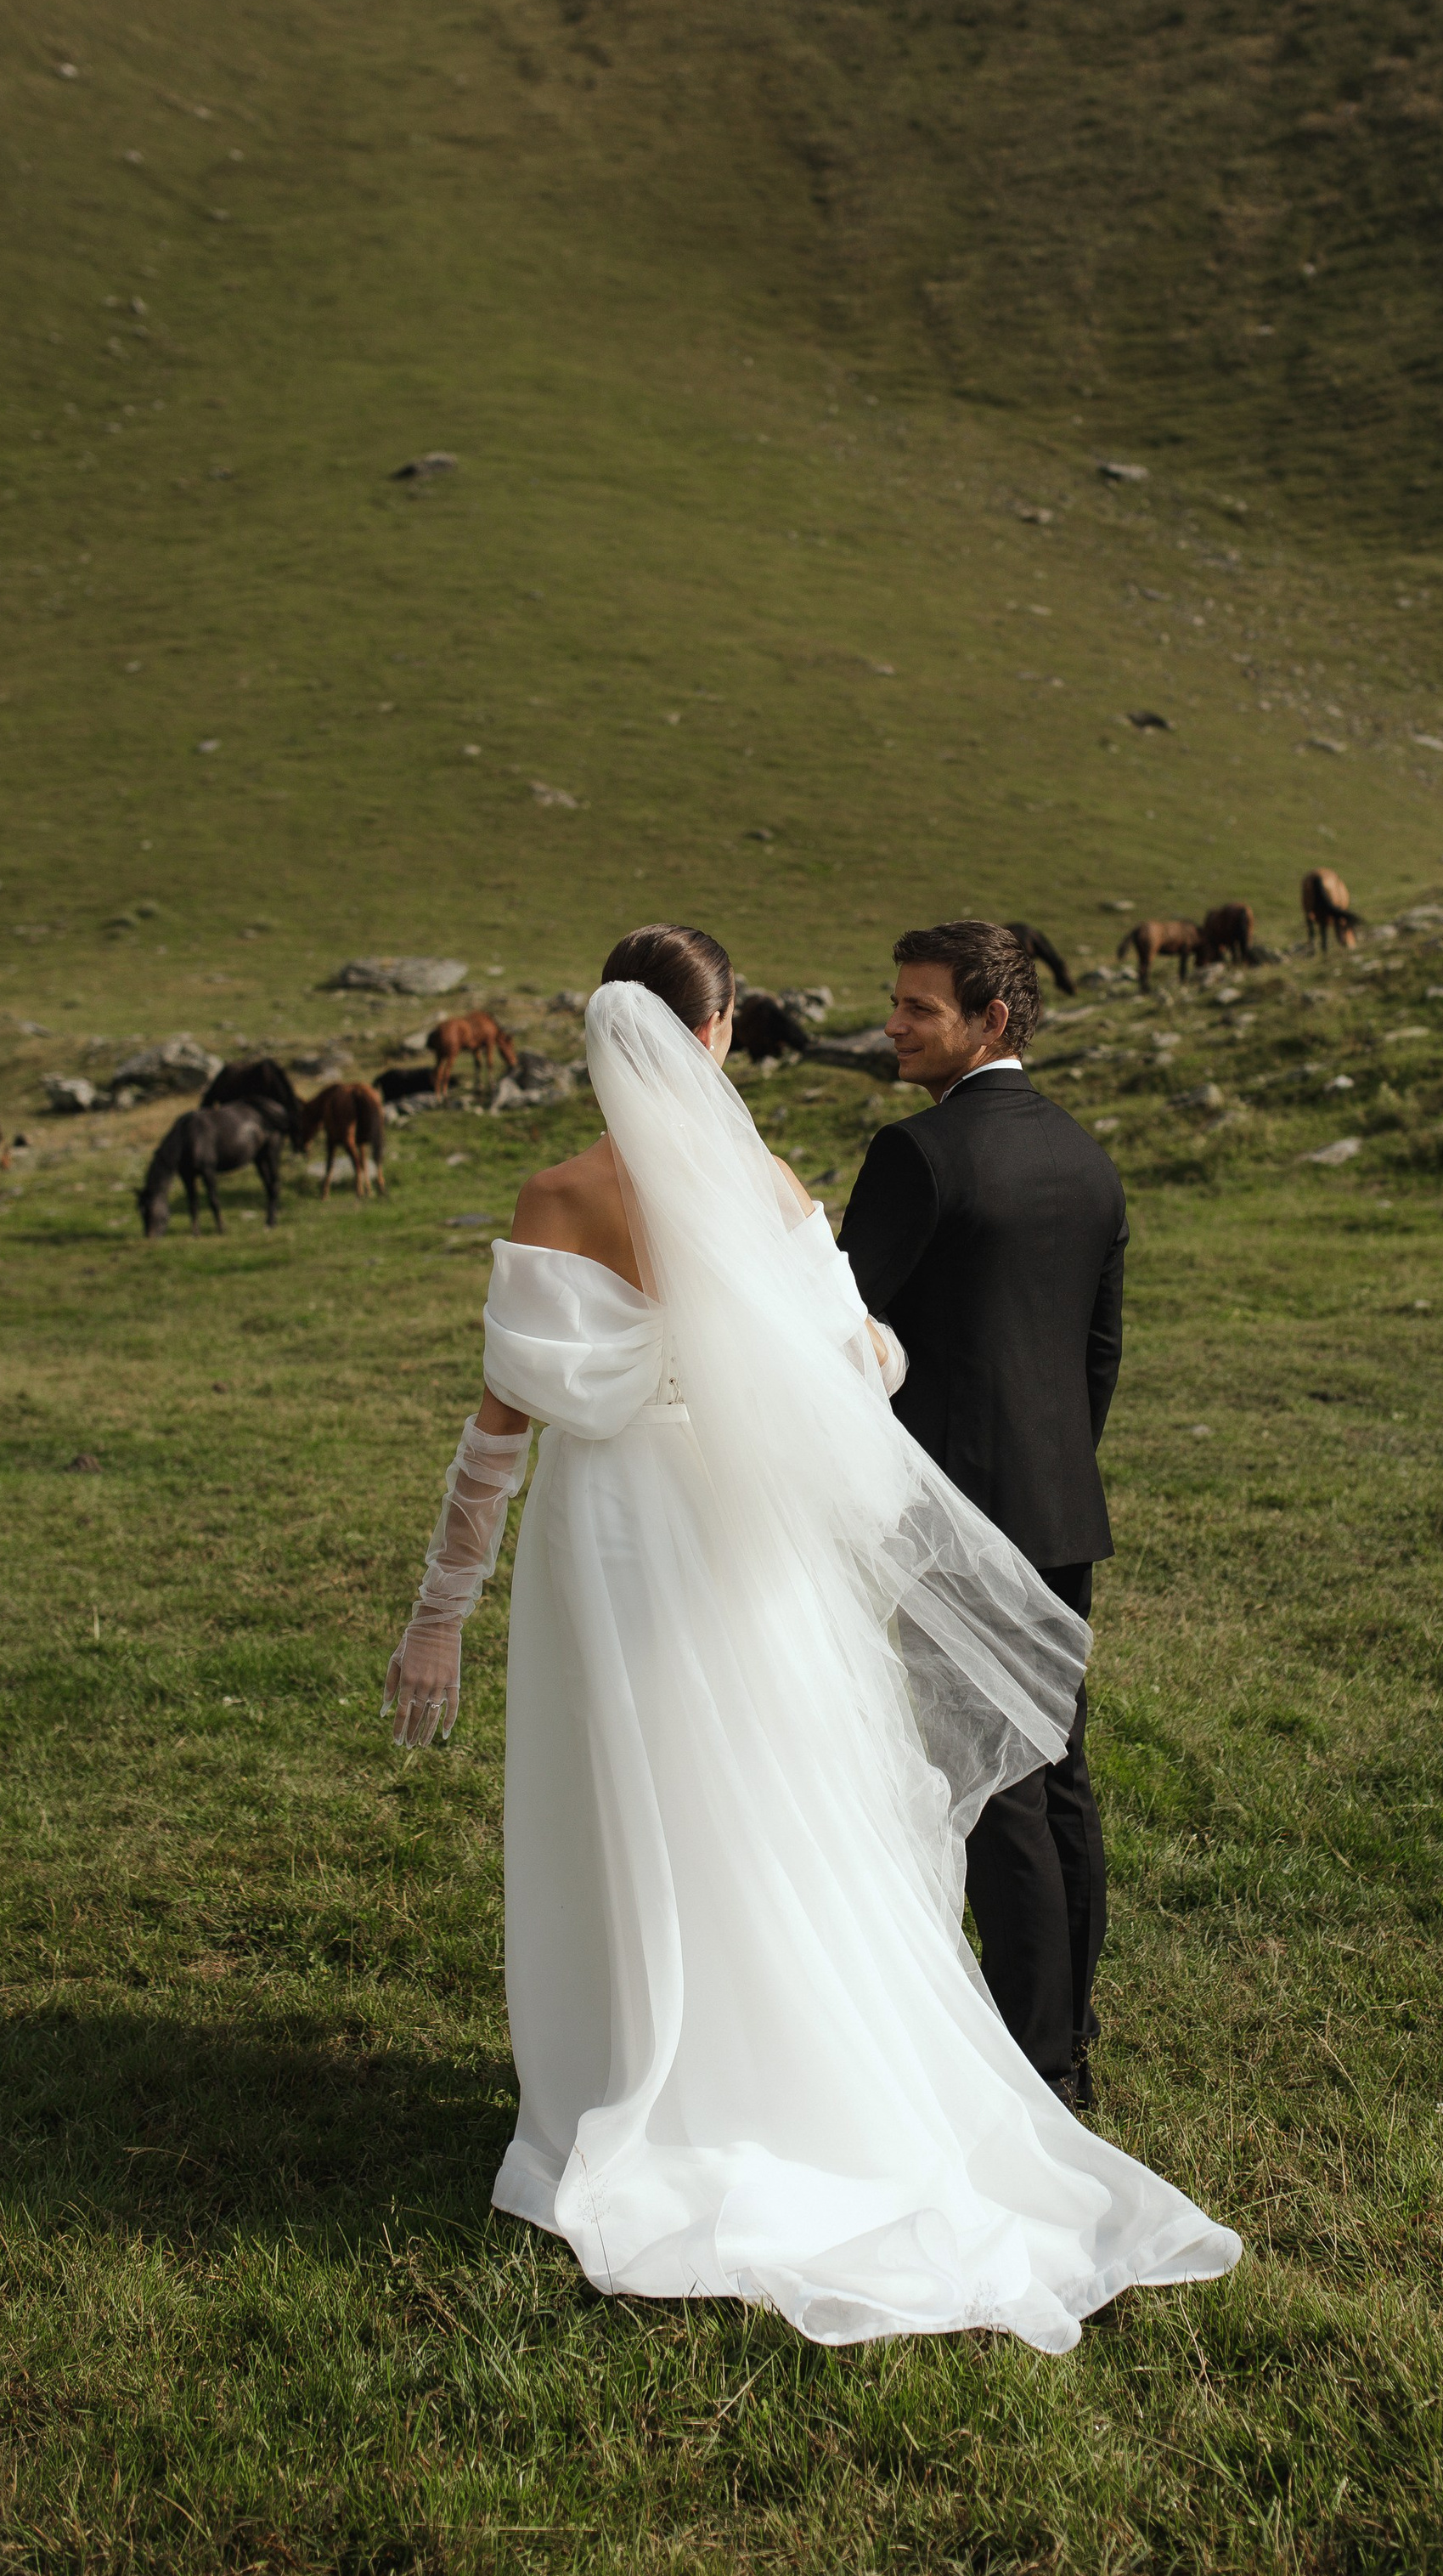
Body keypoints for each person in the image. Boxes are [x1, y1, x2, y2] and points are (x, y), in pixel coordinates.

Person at [383, 921, 1239, 2353]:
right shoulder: (774, 1190)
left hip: (608, 1550)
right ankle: (801, 2077)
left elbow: (493, 1446)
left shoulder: (554, 1196)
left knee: (633, 1808)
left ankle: (637, 2087)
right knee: (775, 1808)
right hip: (745, 1542)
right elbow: (863, 1376)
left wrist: (436, 1624)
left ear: (606, 1034)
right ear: (717, 1039)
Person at [838, 922, 1123, 2110]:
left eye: (919, 1011)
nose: (894, 1028)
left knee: (994, 1783)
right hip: (1060, 1510)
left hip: (952, 1517)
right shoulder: (1086, 1157)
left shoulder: (919, 1157)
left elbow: (842, 1343)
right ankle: (1070, 2033)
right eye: (895, 1005)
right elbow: (1097, 1354)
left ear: (990, 1021)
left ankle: (1034, 2066)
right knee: (1055, 1775)